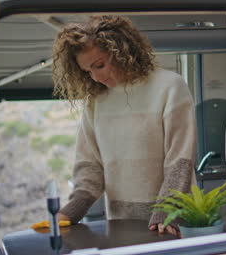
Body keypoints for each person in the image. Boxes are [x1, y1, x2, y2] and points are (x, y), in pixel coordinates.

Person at [52, 15, 196, 236]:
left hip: (171, 223)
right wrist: (68, 213)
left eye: (99, 65)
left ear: (121, 50)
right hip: (121, 225)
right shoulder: (96, 101)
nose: (96, 77)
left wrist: (166, 212)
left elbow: (180, 161)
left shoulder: (169, 86)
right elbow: (90, 166)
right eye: (87, 71)